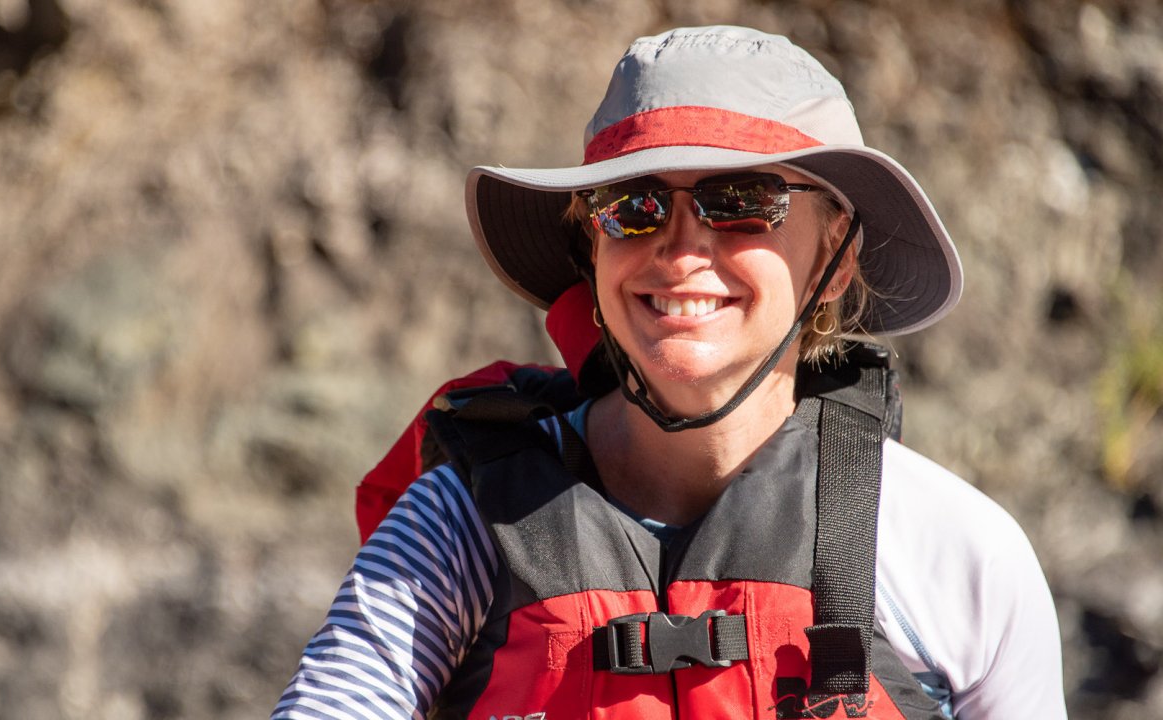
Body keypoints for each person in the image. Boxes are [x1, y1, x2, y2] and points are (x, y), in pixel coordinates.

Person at [270, 25, 1066, 719]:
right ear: (592, 246)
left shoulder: (957, 554)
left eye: (743, 200)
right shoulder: (457, 530)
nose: (683, 253)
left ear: (836, 251)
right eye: (633, 204)